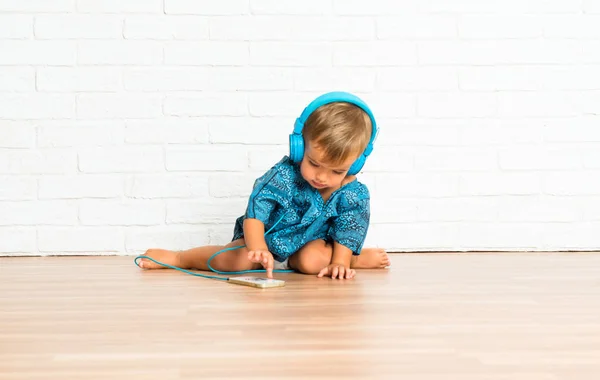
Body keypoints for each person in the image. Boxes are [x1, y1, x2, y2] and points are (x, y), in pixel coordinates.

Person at [138, 92, 390, 280]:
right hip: (266, 238)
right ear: (299, 146)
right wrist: (258, 248)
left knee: (312, 261)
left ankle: (351, 260)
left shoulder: (352, 194)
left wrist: (340, 261)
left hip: (312, 244)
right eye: (314, 163)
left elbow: (349, 229)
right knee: (234, 260)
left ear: (355, 164)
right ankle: (179, 258)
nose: (322, 177)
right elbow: (255, 215)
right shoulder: (283, 176)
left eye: (337, 171)